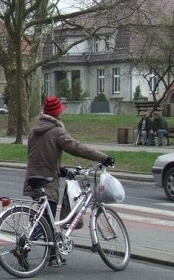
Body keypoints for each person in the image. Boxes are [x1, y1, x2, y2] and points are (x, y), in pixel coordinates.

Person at [23, 96, 114, 267]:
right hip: (47, 181)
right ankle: (24, 246)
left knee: (47, 220)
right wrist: (103, 157)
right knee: (44, 222)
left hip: (34, 176)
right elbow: (77, 148)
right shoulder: (57, 132)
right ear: (57, 113)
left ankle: (52, 257)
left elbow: (39, 154)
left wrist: (59, 169)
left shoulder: (35, 130)